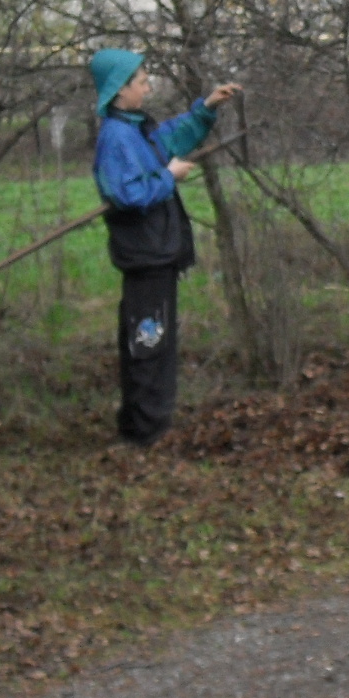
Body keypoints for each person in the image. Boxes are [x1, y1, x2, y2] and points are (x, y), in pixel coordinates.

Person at [88, 49, 240, 446]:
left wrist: (206, 108)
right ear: (120, 90)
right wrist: (168, 176)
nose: (147, 86)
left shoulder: (135, 129)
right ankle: (144, 434)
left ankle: (144, 428)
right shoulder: (115, 137)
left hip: (157, 256)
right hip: (145, 258)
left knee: (151, 343)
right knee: (148, 344)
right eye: (141, 81)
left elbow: (172, 137)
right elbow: (127, 193)